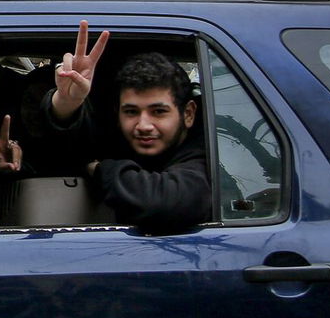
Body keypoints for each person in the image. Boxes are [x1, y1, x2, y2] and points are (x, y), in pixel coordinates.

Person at [40, 21, 210, 233]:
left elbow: (165, 204)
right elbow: (67, 145)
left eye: (158, 112)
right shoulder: (114, 135)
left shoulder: (211, 149)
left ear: (188, 113)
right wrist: (67, 102)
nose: (143, 125)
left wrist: (102, 170)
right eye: (131, 112)